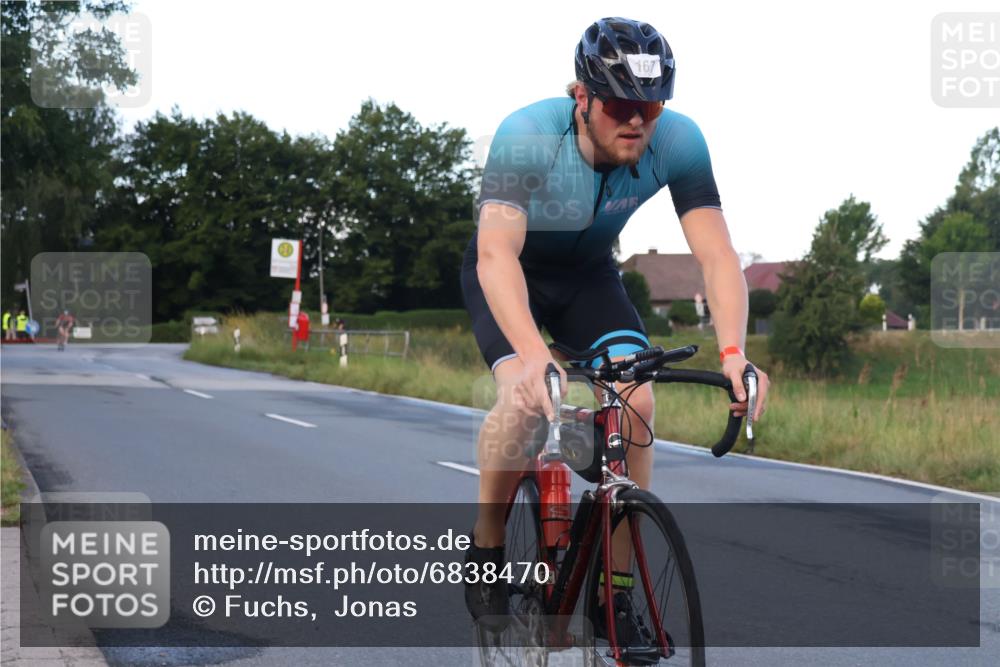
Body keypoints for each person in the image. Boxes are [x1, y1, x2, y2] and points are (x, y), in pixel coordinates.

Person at [460, 17, 771, 634]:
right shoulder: (527, 134)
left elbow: (716, 255)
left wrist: (735, 351)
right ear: (581, 96)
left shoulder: (678, 141)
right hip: (509, 267)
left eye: (651, 107)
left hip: (590, 279)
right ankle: (488, 542)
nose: (638, 121)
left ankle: (615, 592)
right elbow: (495, 255)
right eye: (622, 104)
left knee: (638, 400)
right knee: (525, 394)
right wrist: (532, 355)